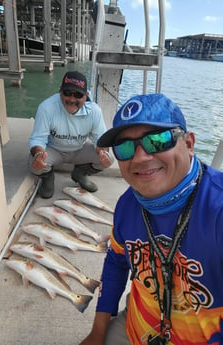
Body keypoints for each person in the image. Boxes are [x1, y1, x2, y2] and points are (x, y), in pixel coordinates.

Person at [79, 93, 223, 345]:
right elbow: (116, 261)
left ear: (189, 144)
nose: (140, 157)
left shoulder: (218, 211)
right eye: (124, 148)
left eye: (157, 140)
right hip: (137, 328)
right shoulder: (127, 203)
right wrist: (97, 333)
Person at [29, 71, 113, 198]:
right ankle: (48, 177)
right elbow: (38, 139)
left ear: (86, 95)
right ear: (60, 92)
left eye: (78, 95)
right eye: (67, 93)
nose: (72, 99)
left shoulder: (95, 111)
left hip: (79, 150)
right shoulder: (46, 108)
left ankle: (80, 173)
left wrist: (103, 153)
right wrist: (39, 155)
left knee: (109, 158)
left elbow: (100, 140)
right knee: (34, 164)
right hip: (54, 149)